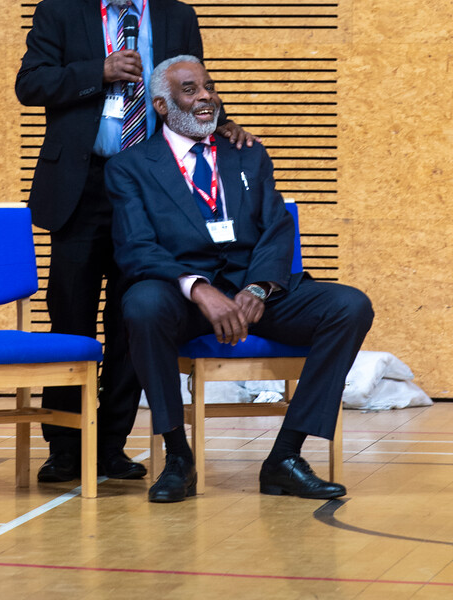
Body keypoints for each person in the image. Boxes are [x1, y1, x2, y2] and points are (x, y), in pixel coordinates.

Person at [15, 0, 253, 484]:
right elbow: (30, 85)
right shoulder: (59, 12)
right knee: (71, 317)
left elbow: (194, 87)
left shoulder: (175, 15)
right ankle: (67, 449)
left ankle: (111, 445)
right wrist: (95, 70)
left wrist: (224, 124)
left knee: (134, 316)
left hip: (152, 189)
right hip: (83, 185)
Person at [105, 56, 374, 503]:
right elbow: (137, 247)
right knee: (141, 304)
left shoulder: (246, 152)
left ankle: (285, 457)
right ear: (162, 105)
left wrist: (258, 286)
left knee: (349, 306)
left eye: (209, 87)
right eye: (191, 90)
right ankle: (177, 457)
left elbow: (276, 227)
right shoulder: (130, 167)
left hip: (253, 292)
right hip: (187, 301)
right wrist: (197, 287)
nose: (206, 96)